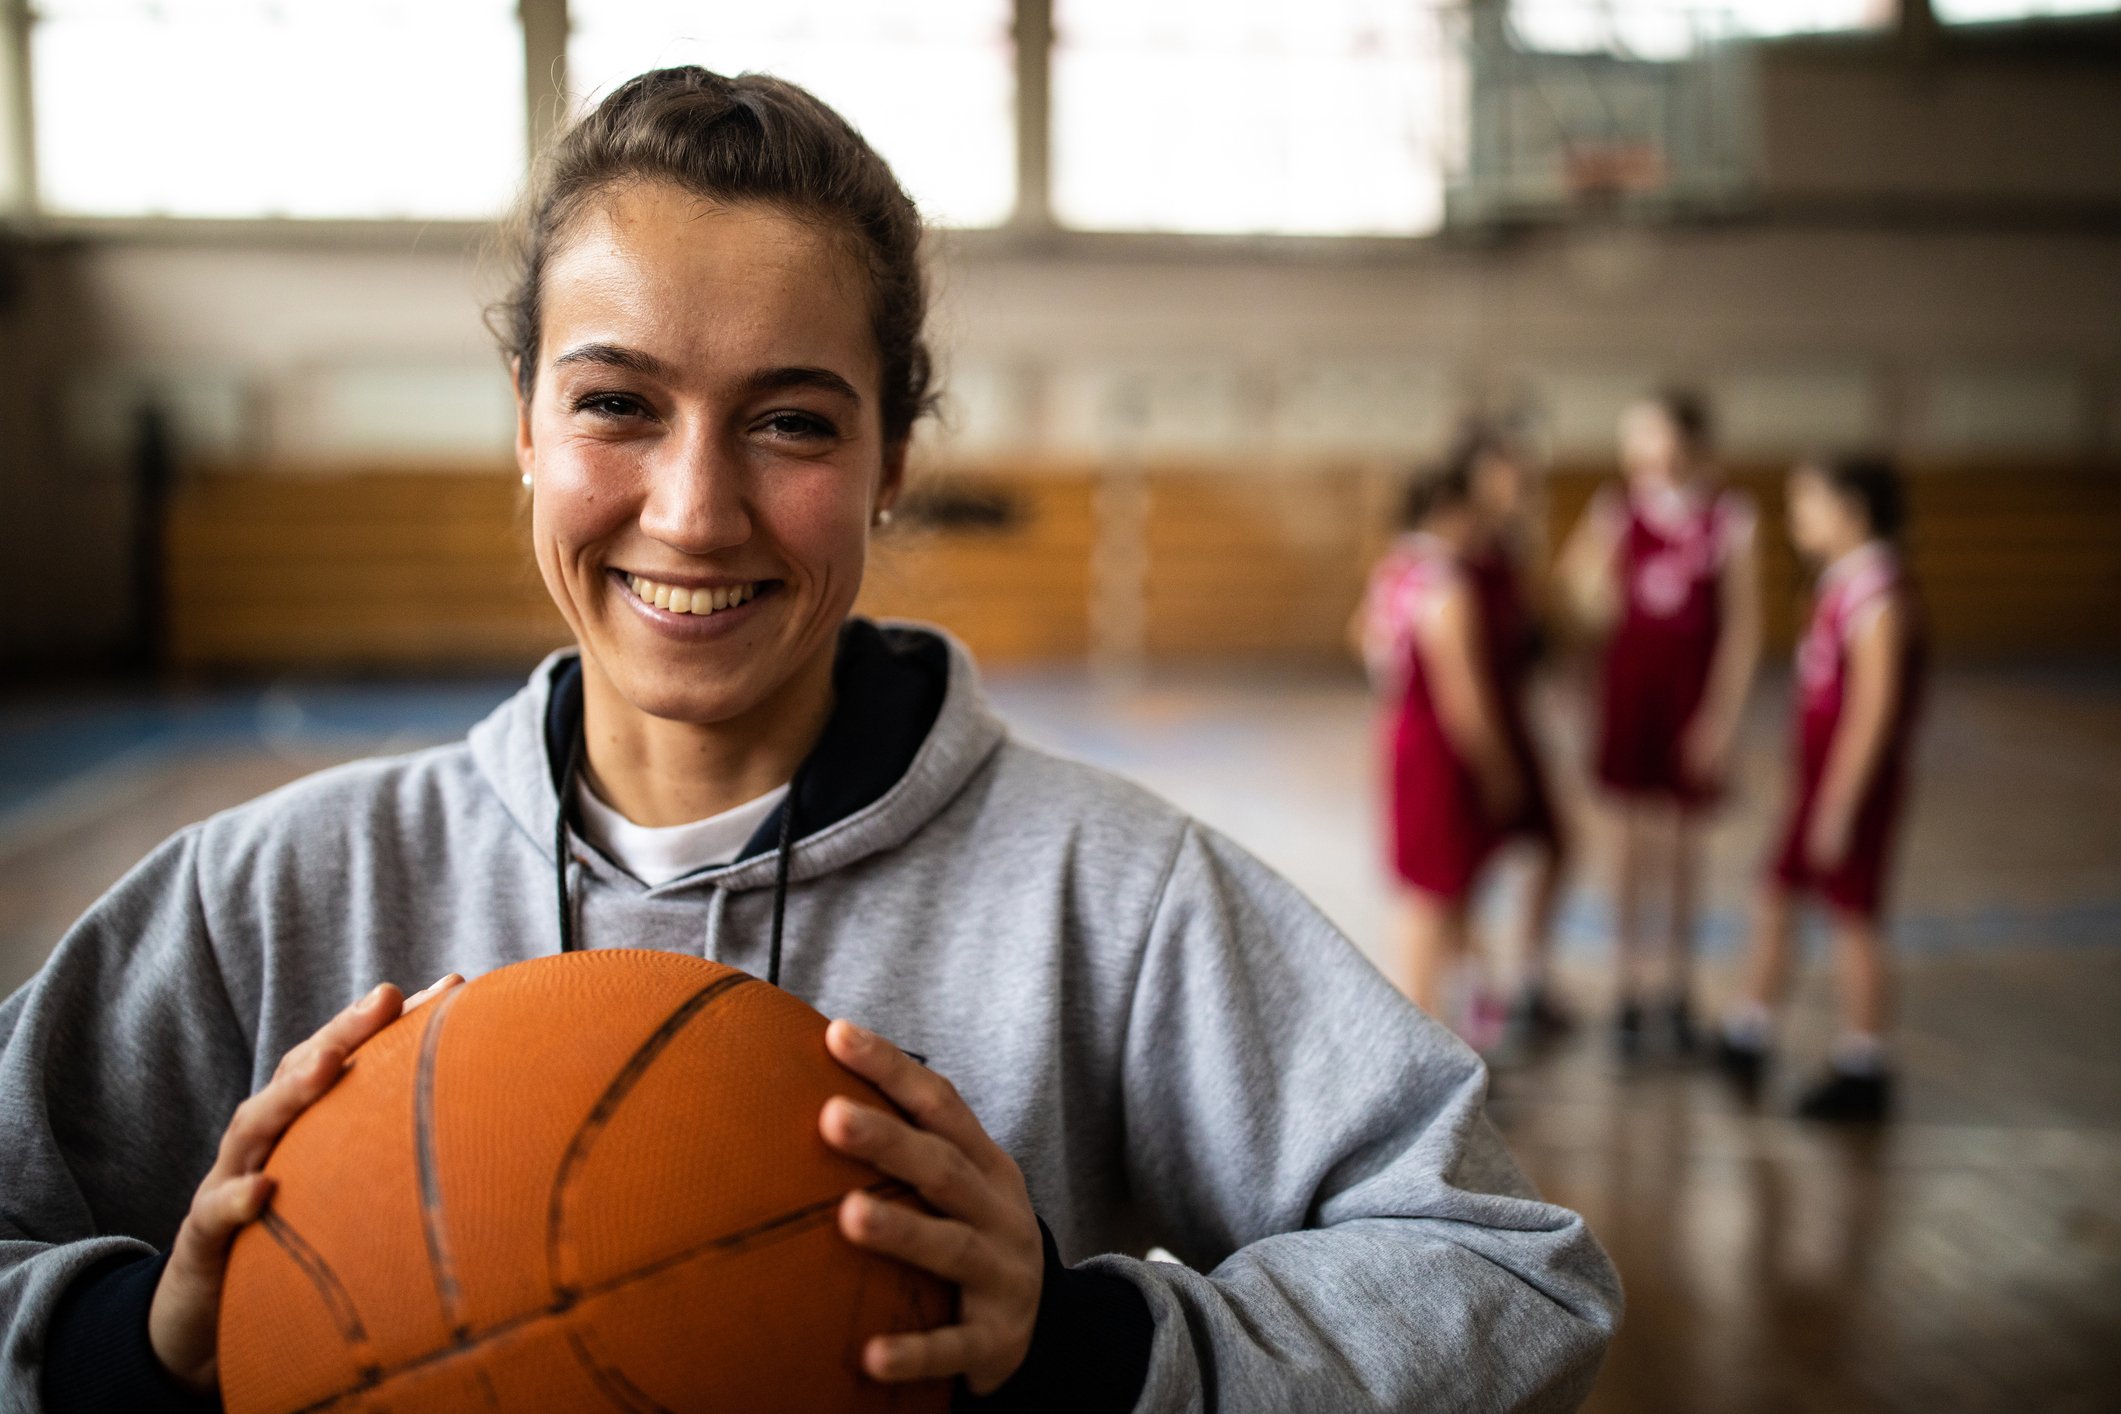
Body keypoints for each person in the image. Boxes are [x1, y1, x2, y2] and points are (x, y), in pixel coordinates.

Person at [0, 69, 1620, 1412]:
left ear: (892, 455)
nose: (695, 509)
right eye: (616, 403)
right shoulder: (279, 894)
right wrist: (116, 1343)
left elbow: (1510, 1267)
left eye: (790, 421)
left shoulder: (1107, 896)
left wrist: (1093, 1344)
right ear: (523, 422)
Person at [1555, 390, 1762, 1060]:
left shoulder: (1729, 518)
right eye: (1634, 438)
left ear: (1687, 442)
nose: (1641, 451)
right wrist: (1584, 596)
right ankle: (1626, 987)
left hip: (1689, 697)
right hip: (1629, 693)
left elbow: (1743, 629)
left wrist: (1721, 719)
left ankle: (1676, 987)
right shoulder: (1616, 511)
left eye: (1653, 435)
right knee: (1625, 842)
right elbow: (1573, 595)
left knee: (1683, 848)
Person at [1717, 455, 1924, 1122]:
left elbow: (1872, 712)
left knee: (1853, 917)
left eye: (1807, 502)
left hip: (1850, 790)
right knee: (1776, 894)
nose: (1794, 516)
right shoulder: (1840, 584)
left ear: (1852, 511)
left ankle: (1865, 1061)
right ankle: (1749, 1029)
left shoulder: (1878, 597)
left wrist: (1839, 801)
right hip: (1817, 786)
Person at [1358, 430, 1570, 1050]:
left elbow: (1367, 641)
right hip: (1442, 754)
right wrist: (1499, 767)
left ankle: (1440, 1022)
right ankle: (1424, 1038)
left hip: (1402, 736)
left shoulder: (1395, 570)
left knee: (1424, 894)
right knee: (1437, 899)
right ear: (1449, 512)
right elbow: (1464, 699)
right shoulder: (1448, 586)